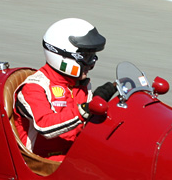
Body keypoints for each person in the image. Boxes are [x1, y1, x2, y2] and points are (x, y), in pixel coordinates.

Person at [13, 18, 118, 161]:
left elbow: (86, 128)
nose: (91, 64)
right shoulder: (35, 87)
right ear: (63, 56)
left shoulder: (80, 85)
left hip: (72, 158)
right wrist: (84, 110)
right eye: (86, 57)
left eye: (93, 57)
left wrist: (97, 101)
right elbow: (45, 126)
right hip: (42, 164)